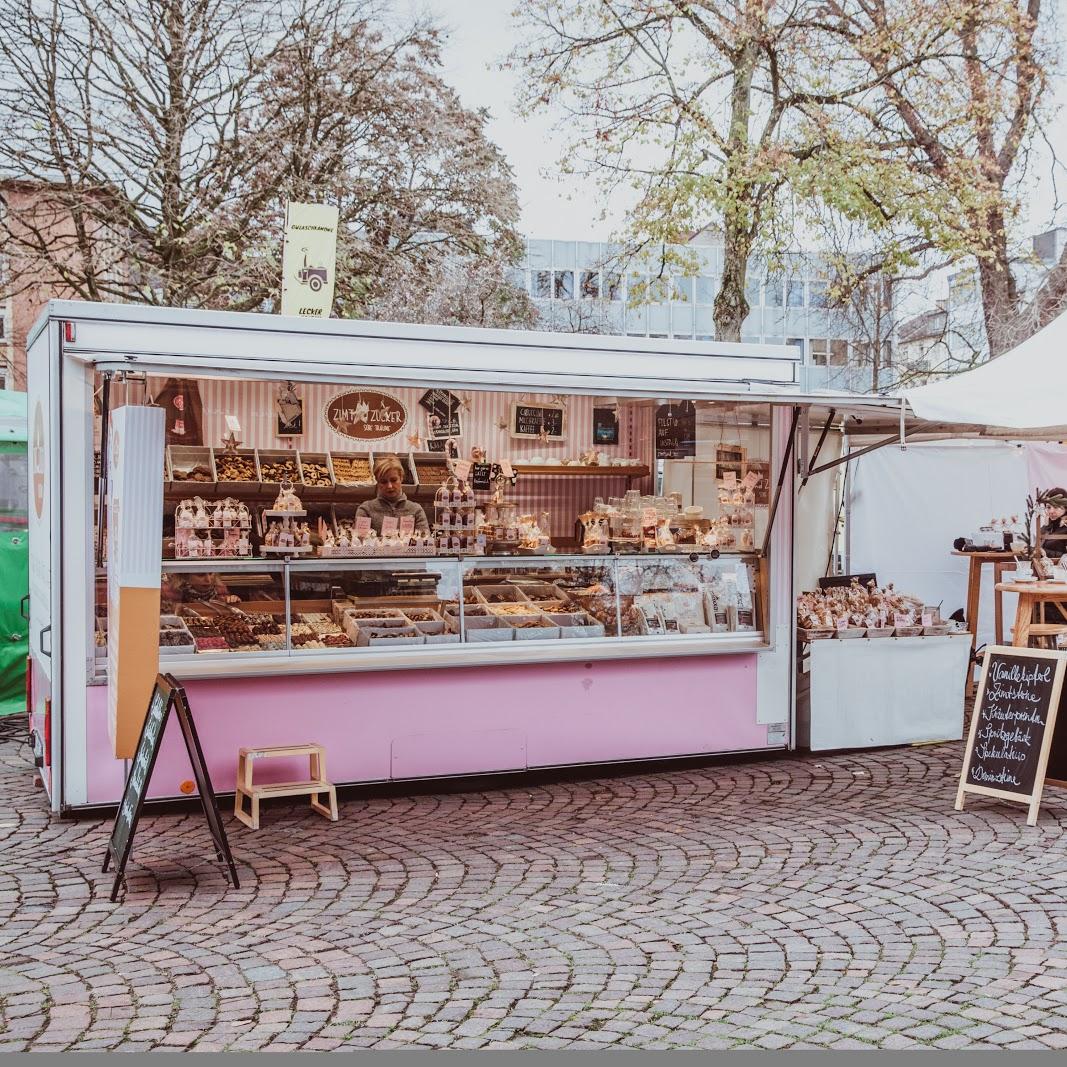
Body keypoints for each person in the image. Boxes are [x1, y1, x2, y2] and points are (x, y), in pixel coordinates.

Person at [357, 454, 429, 535]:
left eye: (394, 480)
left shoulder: (416, 510)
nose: (389, 486)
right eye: (383, 482)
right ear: (377, 481)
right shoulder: (366, 510)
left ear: (401, 478)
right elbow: (360, 543)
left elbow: (424, 545)